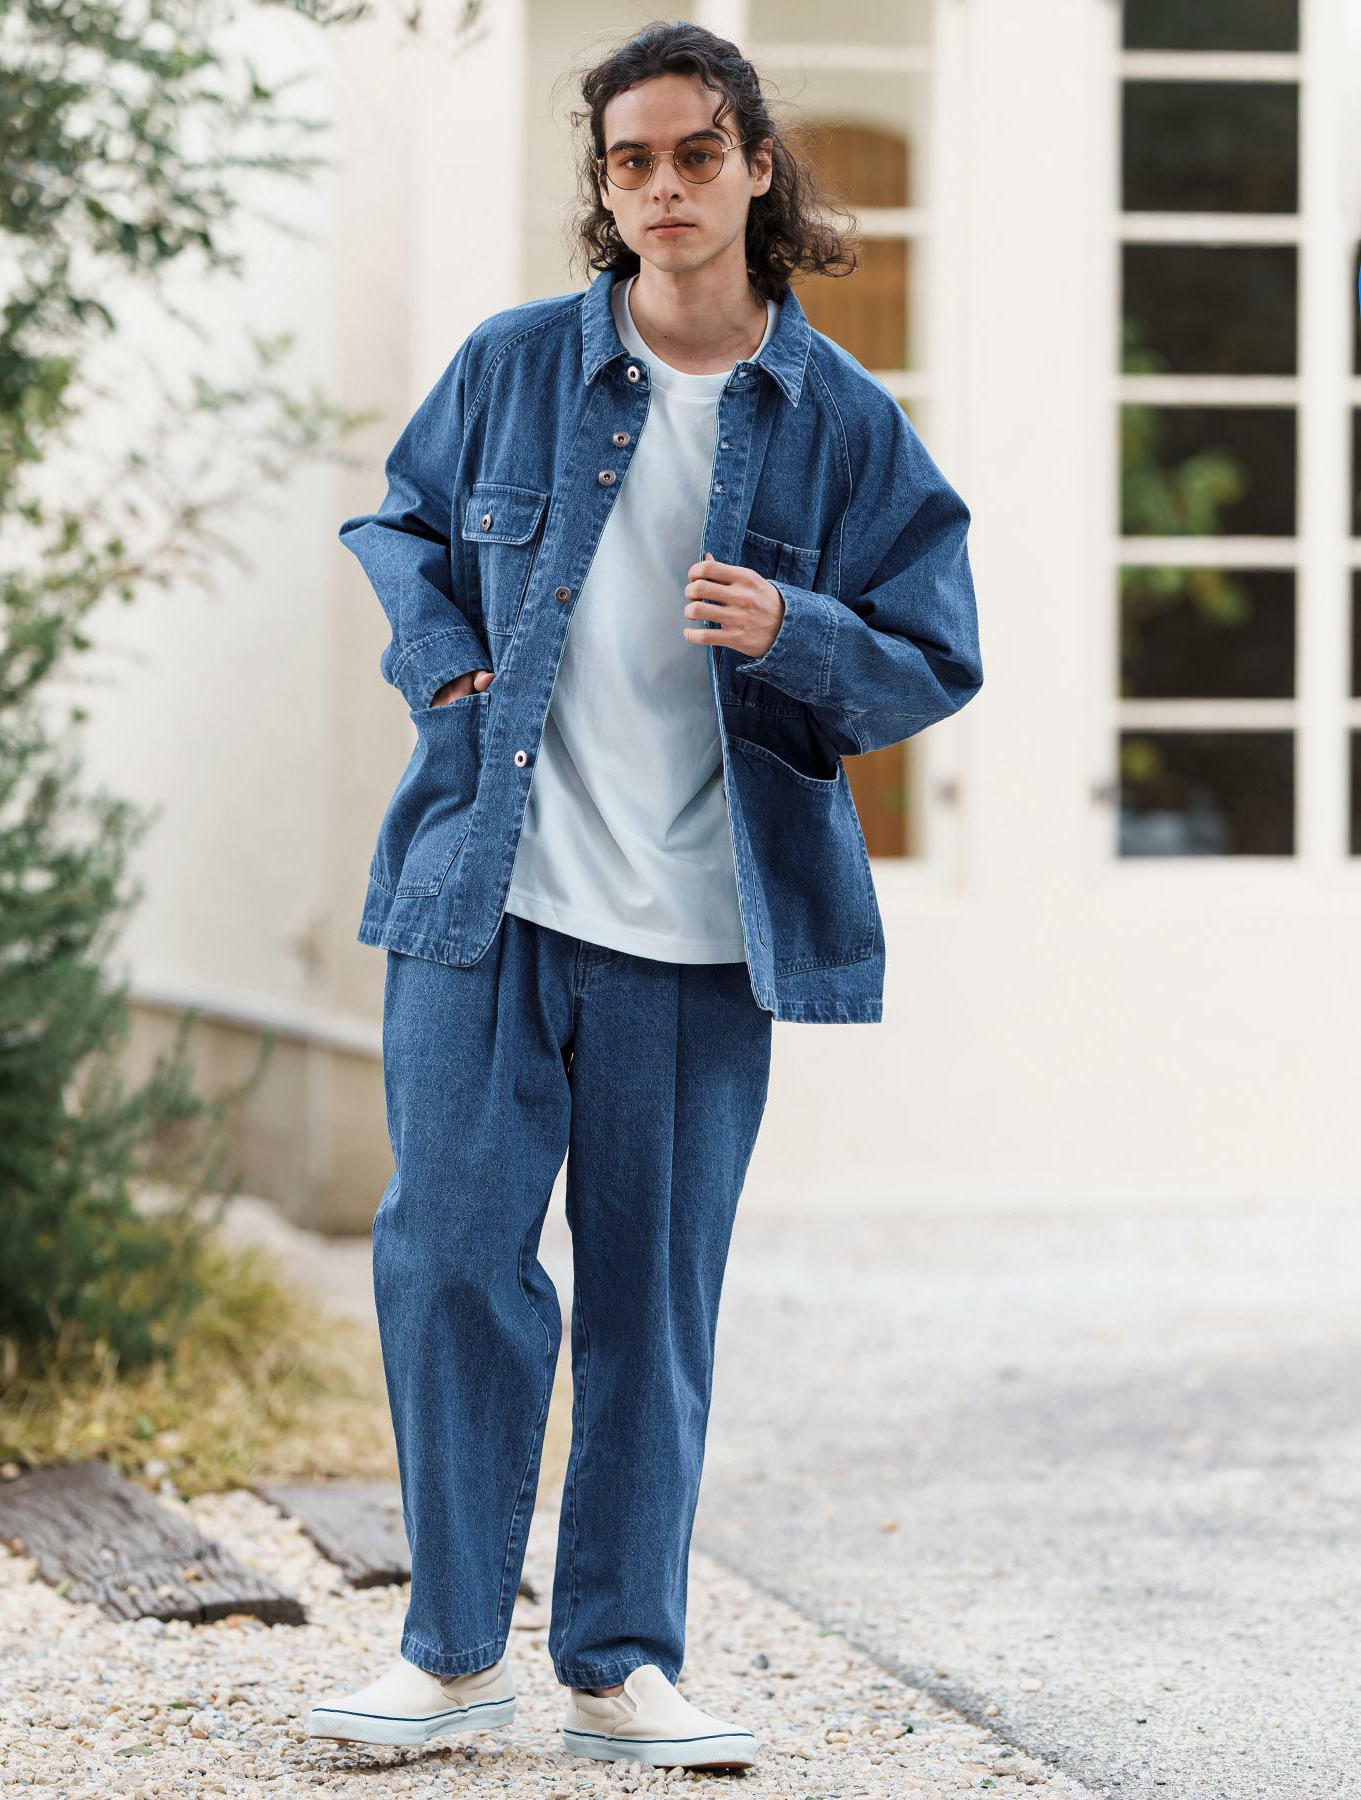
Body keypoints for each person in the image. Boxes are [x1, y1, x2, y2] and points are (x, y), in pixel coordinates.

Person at [306, 20, 983, 1773]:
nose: (663, 187)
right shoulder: (515, 364)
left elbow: (935, 655)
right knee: (448, 1261)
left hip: (696, 937)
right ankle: (454, 1651)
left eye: (694, 154)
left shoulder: (843, 422)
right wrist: (445, 665)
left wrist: (797, 628)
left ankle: (617, 1665)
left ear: (756, 167)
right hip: (488, 900)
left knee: (650, 1310)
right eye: (630, 162)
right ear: (604, 191)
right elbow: (398, 528)